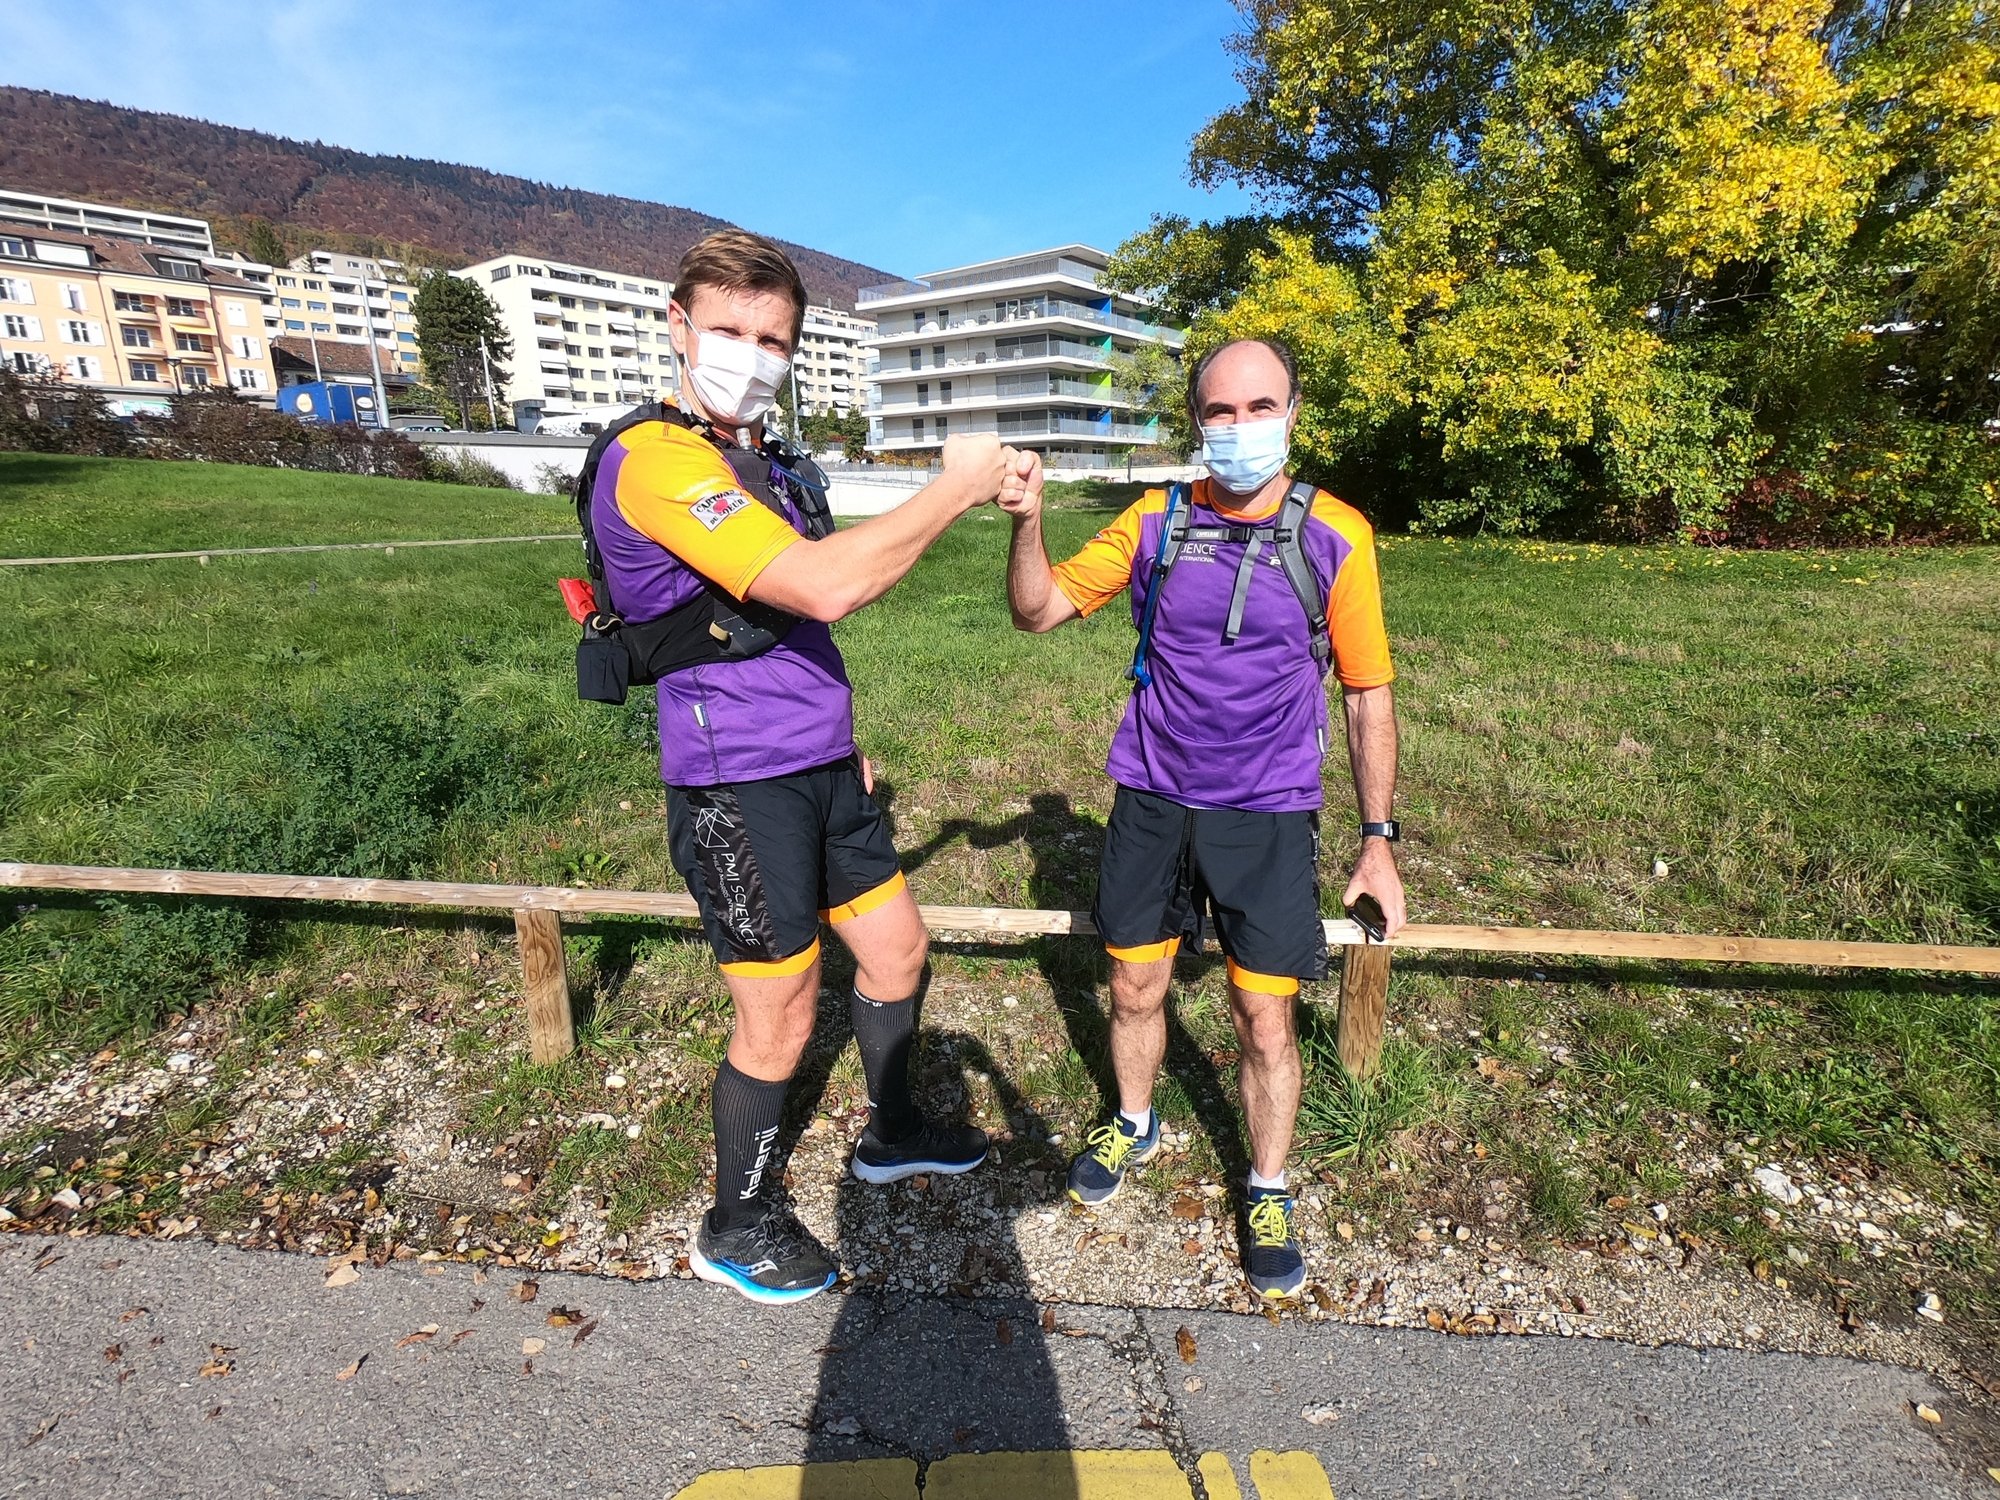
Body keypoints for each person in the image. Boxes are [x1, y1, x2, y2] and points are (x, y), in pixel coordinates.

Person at [589, 229, 1030, 1304]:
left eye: (772, 338)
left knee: (893, 951)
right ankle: (735, 1223)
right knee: (780, 1011)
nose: (750, 354)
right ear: (677, 324)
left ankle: (893, 1128)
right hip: (736, 782)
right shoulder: (656, 462)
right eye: (729, 330)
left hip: (822, 765)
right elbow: (823, 590)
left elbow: (781, 628)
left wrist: (840, 738)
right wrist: (953, 488)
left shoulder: (760, 462)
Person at [1000, 337, 1406, 1300]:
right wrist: (1028, 521)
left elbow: (1366, 694)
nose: (1238, 428)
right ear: (1196, 423)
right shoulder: (1155, 521)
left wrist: (1378, 843)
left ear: (1294, 414)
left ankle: (1268, 1187)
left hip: (1266, 813)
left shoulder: (1336, 534)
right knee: (1135, 988)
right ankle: (1134, 1118)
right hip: (1150, 797)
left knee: (1265, 1019)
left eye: (1259, 407)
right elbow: (1037, 610)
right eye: (1219, 412)